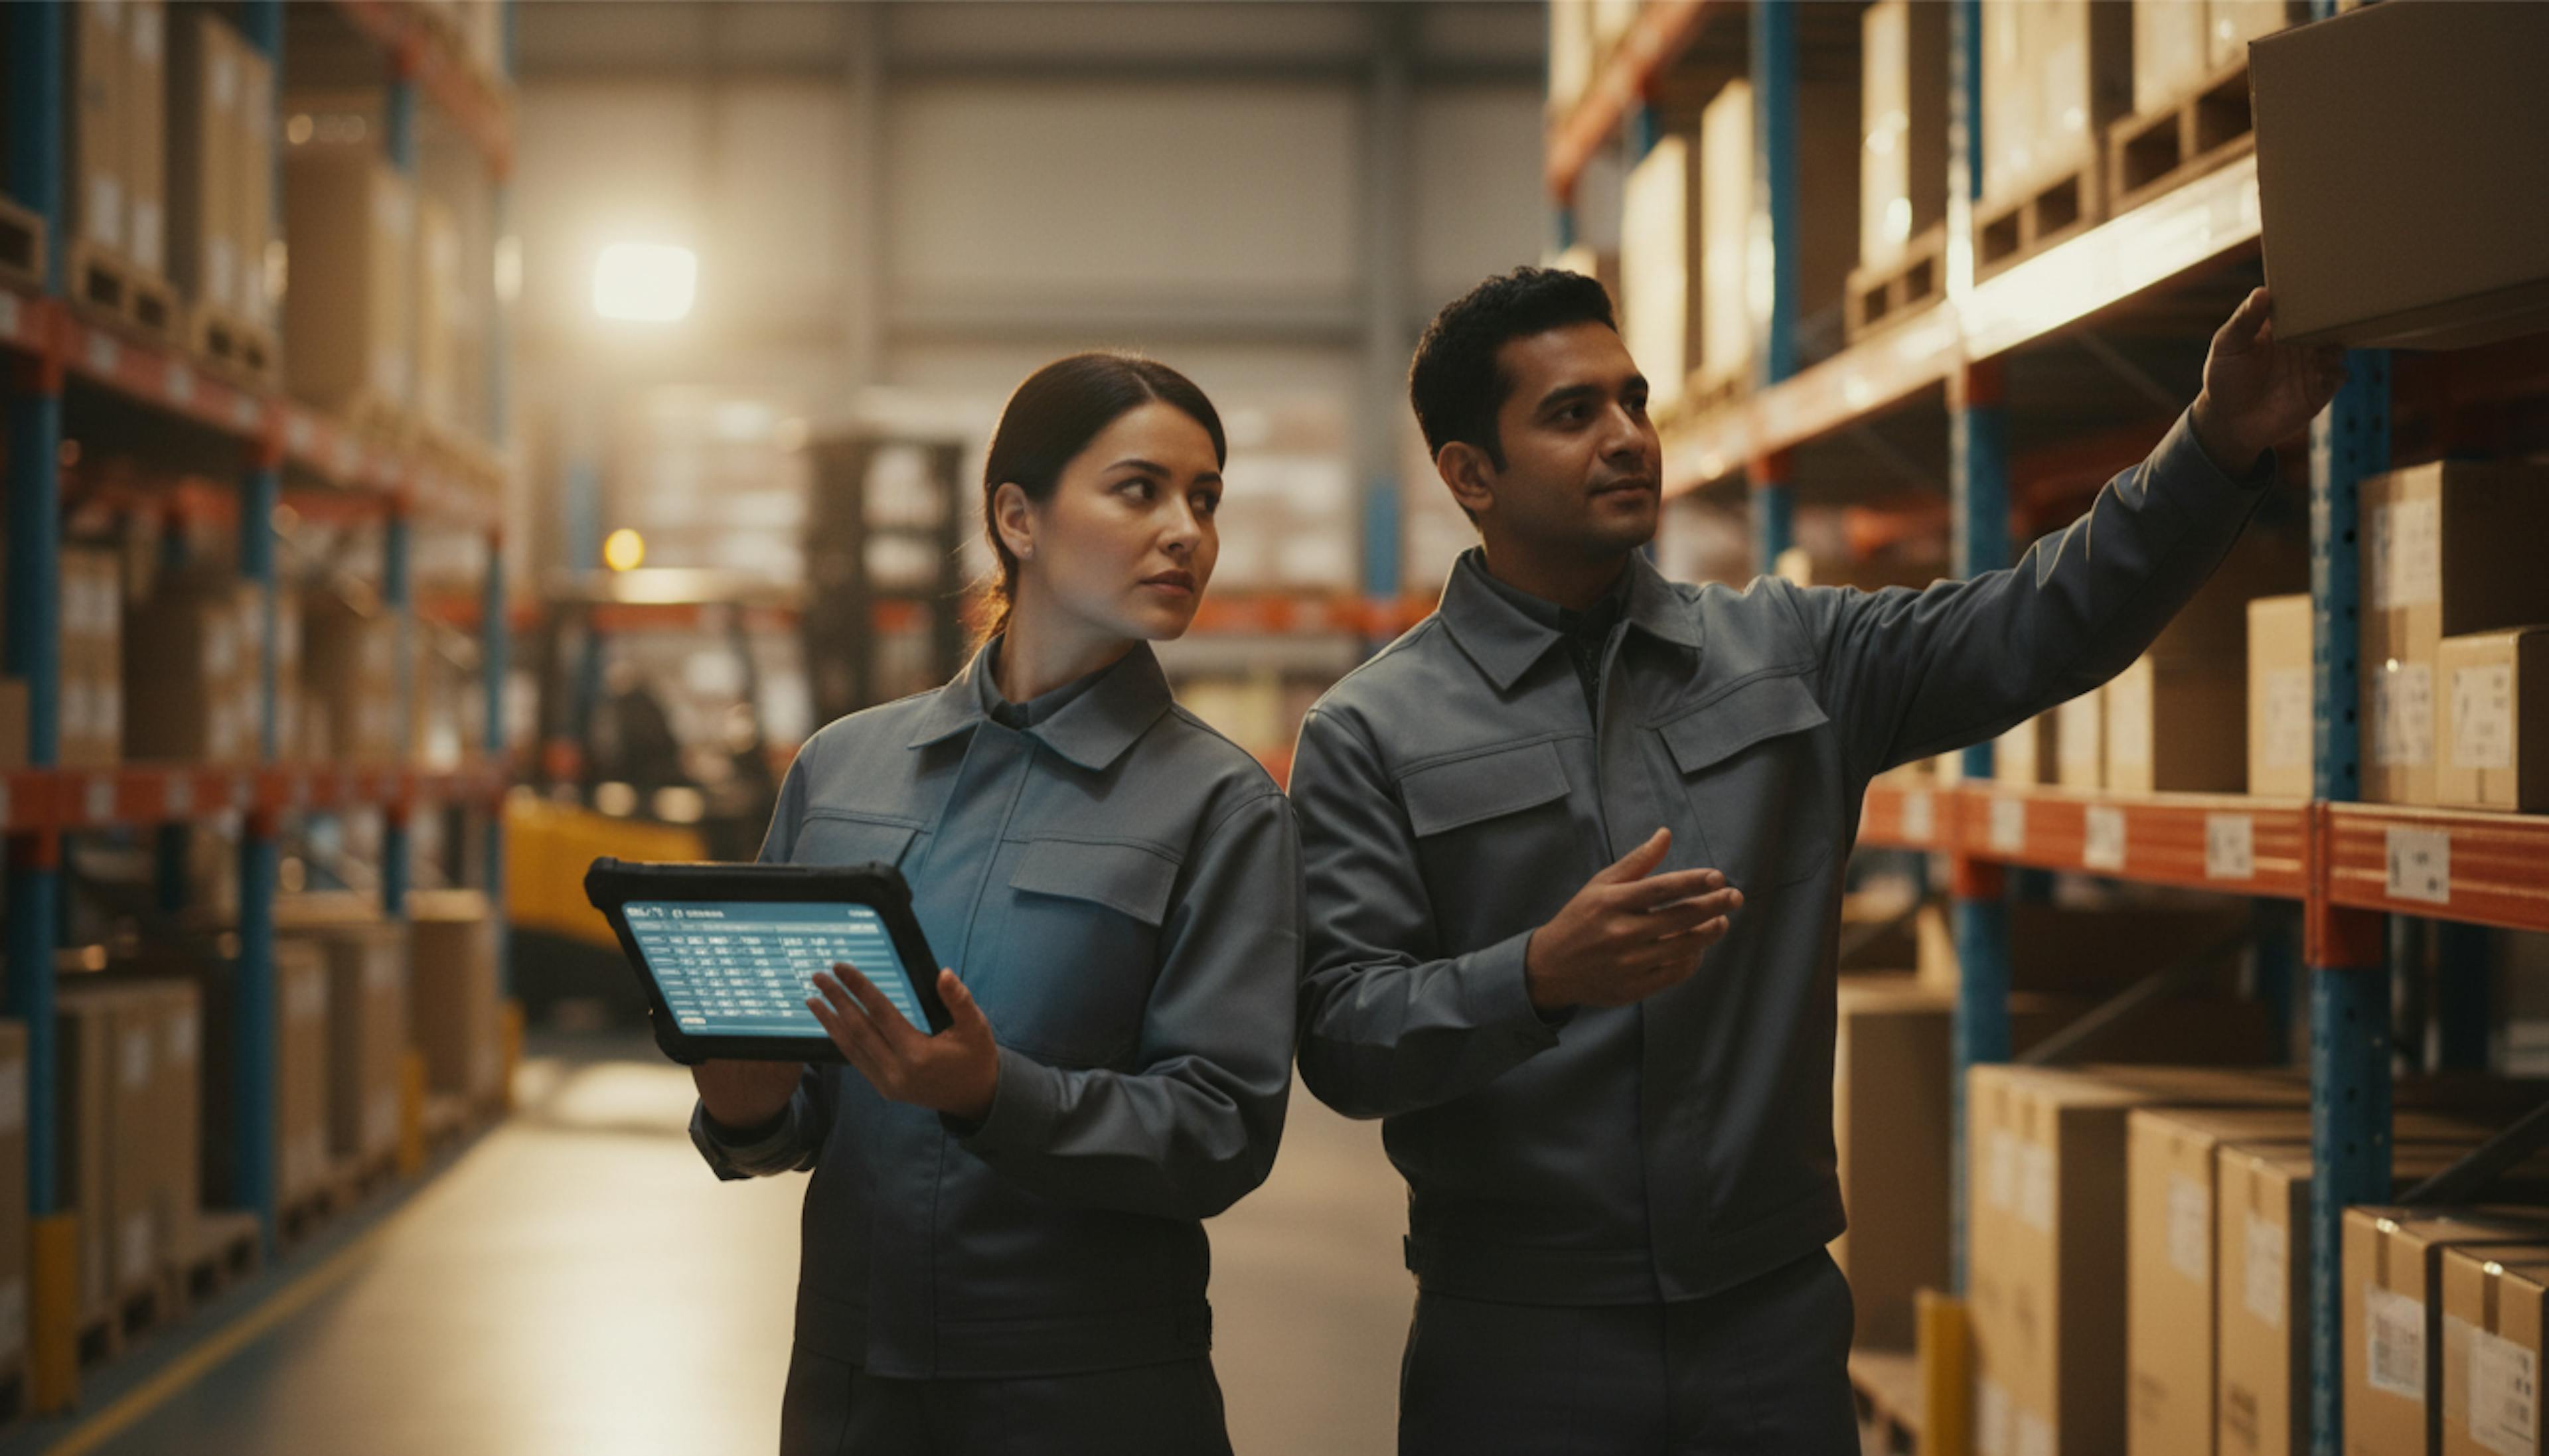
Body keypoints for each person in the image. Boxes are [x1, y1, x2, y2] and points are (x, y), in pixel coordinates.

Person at [1286, 269, 2341, 1453]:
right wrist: (1536, 973)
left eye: (1634, 401)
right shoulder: (1372, 731)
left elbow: (2045, 622)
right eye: (1573, 414)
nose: (1630, 438)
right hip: (1522, 1340)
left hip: (1769, 1328)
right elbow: (1342, 1033)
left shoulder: (1788, 654)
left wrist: (2215, 445)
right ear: (1470, 474)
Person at [688, 354, 1301, 1456]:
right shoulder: (843, 772)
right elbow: (801, 1114)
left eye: (1205, 500)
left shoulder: (1221, 803)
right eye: (1140, 489)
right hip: (850, 1387)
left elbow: (1222, 1128)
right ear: (1017, 516)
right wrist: (746, 1109)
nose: (1187, 531)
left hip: (1087, 1392)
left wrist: (996, 1096)